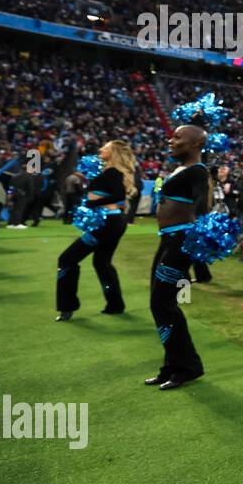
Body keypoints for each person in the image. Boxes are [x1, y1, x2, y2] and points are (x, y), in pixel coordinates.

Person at [145, 124, 210, 390]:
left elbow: (203, 205)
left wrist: (199, 236)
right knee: (159, 303)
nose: (171, 140)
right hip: (168, 240)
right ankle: (172, 365)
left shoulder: (198, 171)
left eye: (178, 137)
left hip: (180, 243)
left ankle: (188, 367)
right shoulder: (182, 168)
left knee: (163, 303)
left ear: (195, 144)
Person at [55, 141, 137, 320]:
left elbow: (119, 195)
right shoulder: (107, 171)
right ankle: (115, 304)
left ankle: (67, 306)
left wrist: (92, 203)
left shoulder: (113, 172)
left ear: (114, 153)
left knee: (66, 259)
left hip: (106, 223)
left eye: (106, 148)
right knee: (102, 263)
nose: (101, 149)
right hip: (112, 222)